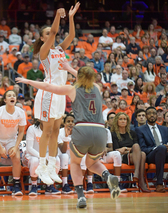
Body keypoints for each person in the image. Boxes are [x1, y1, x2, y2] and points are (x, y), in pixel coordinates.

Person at [17, 62, 121, 208]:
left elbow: (48, 87)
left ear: (78, 77)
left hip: (83, 129)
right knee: (91, 163)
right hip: (100, 131)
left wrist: (28, 81)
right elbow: (83, 76)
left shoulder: (72, 89)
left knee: (75, 163)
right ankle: (108, 176)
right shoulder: (97, 88)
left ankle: (80, 197)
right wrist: (69, 69)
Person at [30, 3, 80, 185]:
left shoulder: (59, 50)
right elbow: (53, 33)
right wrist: (58, 16)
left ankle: (51, 166)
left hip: (60, 94)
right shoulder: (44, 52)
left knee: (55, 132)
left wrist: (71, 17)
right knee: (47, 131)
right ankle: (41, 167)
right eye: (48, 33)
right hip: (48, 92)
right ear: (42, 38)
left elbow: (72, 36)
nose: (52, 34)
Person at [0, 90, 26, 197]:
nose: (12, 97)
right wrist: (0, 147)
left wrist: (16, 146)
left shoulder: (20, 112)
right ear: (5, 100)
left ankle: (16, 186)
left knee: (17, 158)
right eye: (9, 96)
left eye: (13, 95)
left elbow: (21, 132)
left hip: (11, 139)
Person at [136, 107, 168, 193]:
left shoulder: (165, 129)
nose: (152, 115)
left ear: (157, 115)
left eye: (154, 113)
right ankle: (159, 183)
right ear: (146, 116)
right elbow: (143, 149)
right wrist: (157, 148)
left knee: (163, 148)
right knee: (161, 148)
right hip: (151, 155)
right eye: (149, 113)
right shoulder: (140, 130)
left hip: (165, 153)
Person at [111, 112, 150, 193]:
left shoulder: (132, 133)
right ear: (117, 121)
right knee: (141, 154)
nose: (123, 121)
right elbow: (116, 149)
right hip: (121, 157)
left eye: (125, 119)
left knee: (140, 151)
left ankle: (137, 174)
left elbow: (137, 147)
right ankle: (141, 180)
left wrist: (125, 148)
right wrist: (128, 149)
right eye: (120, 119)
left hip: (133, 155)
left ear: (127, 121)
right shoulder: (113, 134)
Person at [23, 119, 61, 196]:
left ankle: (49, 186)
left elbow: (55, 150)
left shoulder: (54, 130)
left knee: (56, 160)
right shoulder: (32, 129)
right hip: (30, 155)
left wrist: (50, 158)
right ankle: (34, 186)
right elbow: (29, 149)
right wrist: (42, 158)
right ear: (40, 120)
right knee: (35, 161)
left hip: (46, 155)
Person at [58, 113, 74, 194]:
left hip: (73, 158)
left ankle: (80, 185)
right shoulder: (60, 132)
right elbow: (63, 150)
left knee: (84, 157)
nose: (70, 123)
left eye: (72, 121)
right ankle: (65, 185)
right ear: (64, 123)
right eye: (68, 121)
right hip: (61, 158)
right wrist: (66, 137)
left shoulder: (78, 133)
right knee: (65, 156)